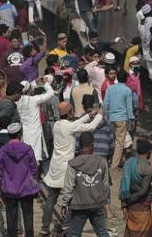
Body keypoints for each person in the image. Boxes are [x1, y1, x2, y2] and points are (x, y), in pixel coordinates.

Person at [41, 100, 104, 236]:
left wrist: (89, 115)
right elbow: (91, 127)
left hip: (55, 167)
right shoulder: (69, 127)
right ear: (70, 113)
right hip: (67, 168)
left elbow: (75, 124)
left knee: (51, 198)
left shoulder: (57, 125)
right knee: (71, 197)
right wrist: (99, 115)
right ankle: (67, 225)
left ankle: (44, 227)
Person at [56, 132, 112, 237]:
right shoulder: (102, 162)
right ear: (92, 144)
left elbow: (68, 187)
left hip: (78, 206)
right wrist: (105, 202)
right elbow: (105, 186)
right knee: (102, 233)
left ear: (80, 146)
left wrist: (64, 204)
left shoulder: (73, 164)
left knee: (74, 234)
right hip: (97, 203)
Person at [0, 122, 41, 237]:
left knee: (11, 219)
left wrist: (1, 189)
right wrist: (35, 186)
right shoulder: (28, 149)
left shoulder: (3, 150)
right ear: (19, 134)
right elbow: (34, 170)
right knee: (28, 217)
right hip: (26, 189)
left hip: (9, 190)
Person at [120, 137, 152, 237]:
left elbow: (123, 186)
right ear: (148, 152)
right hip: (142, 205)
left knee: (131, 231)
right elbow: (143, 191)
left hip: (130, 206)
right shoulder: (147, 167)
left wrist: (124, 204)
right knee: (143, 231)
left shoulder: (128, 164)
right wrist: (131, 199)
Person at [103, 68, 135, 168]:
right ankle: (114, 165)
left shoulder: (110, 89)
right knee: (119, 143)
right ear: (126, 79)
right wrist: (132, 120)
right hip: (122, 119)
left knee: (113, 141)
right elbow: (129, 107)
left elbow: (105, 105)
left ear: (117, 77)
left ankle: (116, 161)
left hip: (111, 118)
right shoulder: (127, 90)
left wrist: (107, 117)